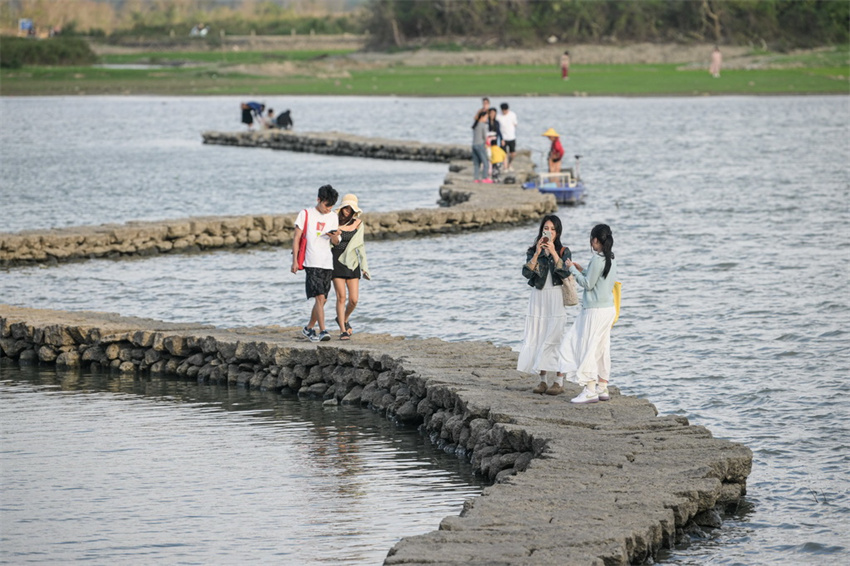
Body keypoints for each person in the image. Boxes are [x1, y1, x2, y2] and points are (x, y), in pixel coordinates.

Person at [558, 224, 618, 404]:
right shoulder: (610, 258)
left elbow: (587, 285)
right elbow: (598, 280)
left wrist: (571, 268)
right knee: (601, 347)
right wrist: (582, 269)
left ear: (595, 240)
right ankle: (602, 387)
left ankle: (590, 389)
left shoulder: (597, 259)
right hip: (608, 309)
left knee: (586, 346)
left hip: (595, 311)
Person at [517, 215, 572, 395]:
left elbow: (564, 272)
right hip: (538, 296)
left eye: (553, 229)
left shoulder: (564, 250)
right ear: (541, 230)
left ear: (557, 232)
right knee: (539, 335)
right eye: (546, 228)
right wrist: (536, 254)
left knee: (556, 338)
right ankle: (542, 381)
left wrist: (554, 252)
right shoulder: (534, 250)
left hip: (555, 295)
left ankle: (559, 381)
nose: (549, 232)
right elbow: (526, 273)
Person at [291, 184, 341, 342]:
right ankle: (323, 330)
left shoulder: (333, 216)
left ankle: (308, 328)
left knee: (323, 299)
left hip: (327, 262)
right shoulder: (305, 214)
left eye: (331, 206)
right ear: (318, 200)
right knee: (319, 297)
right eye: (326, 205)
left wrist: (334, 236)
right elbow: (297, 238)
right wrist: (294, 262)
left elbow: (336, 242)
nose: (328, 209)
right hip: (311, 261)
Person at [332, 193, 371, 340]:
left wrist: (365, 267)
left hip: (353, 262)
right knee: (341, 297)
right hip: (336, 260)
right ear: (341, 208)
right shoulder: (333, 221)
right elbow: (331, 243)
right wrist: (335, 235)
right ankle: (342, 330)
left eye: (350, 209)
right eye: (345, 208)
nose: (347, 211)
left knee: (354, 300)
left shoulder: (358, 223)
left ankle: (343, 318)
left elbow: (360, 246)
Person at [496, 103, 518, 171]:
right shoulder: (498, 116)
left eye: (505, 110)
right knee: (504, 154)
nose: (504, 111)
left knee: (513, 153)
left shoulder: (512, 114)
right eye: (503, 110)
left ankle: (509, 164)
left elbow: (515, 124)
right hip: (503, 138)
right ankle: (505, 167)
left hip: (511, 137)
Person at [471, 110, 489, 183]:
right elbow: (484, 136)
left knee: (476, 163)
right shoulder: (482, 125)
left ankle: (476, 178)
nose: (486, 119)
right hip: (480, 145)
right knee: (485, 162)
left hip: (474, 145)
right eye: (486, 117)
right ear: (482, 117)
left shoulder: (475, 124)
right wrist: (487, 142)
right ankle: (485, 177)